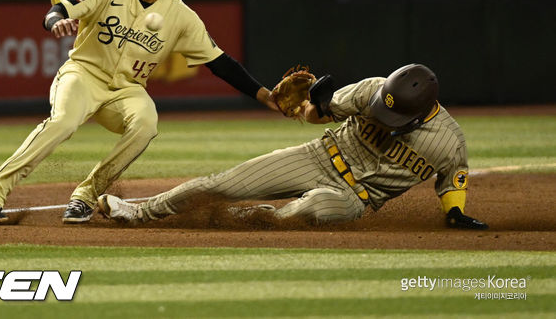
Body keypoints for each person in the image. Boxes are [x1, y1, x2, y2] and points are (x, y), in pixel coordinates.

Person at [0, 0, 277, 224]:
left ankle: (86, 197)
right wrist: (54, 22)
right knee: (62, 122)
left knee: (146, 124)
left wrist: (264, 95)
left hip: (127, 89)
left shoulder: (181, 15)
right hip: (83, 74)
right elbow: (60, 9)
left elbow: (220, 62)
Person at [98, 64, 488, 231]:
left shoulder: (448, 141)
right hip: (319, 156)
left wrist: (454, 212)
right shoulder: (373, 90)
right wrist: (308, 108)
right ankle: (140, 212)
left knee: (298, 215)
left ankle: (259, 216)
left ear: (422, 114)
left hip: (354, 197)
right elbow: (322, 114)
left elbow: (452, 178)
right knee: (223, 183)